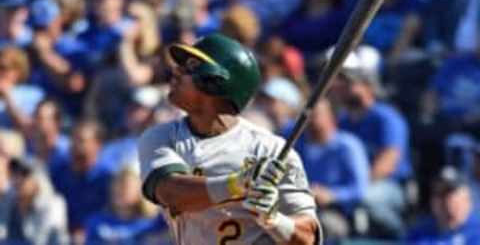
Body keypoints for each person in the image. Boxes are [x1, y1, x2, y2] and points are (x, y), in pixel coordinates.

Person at [137, 33, 321, 244]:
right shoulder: (162, 137)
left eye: (191, 66)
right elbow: (171, 193)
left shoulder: (271, 150)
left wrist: (274, 220)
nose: (176, 71)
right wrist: (238, 184)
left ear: (216, 81)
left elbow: (308, 238)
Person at [334, 49, 412, 237]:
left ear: (368, 86)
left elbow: (388, 162)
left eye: (351, 83)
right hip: (356, 184)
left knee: (363, 198)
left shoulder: (386, 117)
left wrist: (352, 189)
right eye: (342, 83)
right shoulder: (343, 121)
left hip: (391, 185)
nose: (344, 87)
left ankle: (403, 236)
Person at [298, 99, 370, 241]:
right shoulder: (297, 145)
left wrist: (331, 195)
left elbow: (359, 189)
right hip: (298, 208)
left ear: (331, 117)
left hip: (335, 212)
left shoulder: (348, 146)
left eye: (315, 114)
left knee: (320, 226)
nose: (309, 119)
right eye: (305, 114)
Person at [50, 119, 113, 243]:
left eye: (82, 141)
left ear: (98, 145)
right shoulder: (59, 172)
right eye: (73, 140)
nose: (75, 146)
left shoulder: (107, 178)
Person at [85, 167, 170, 244]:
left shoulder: (155, 223)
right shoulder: (97, 223)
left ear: (140, 191)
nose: (119, 190)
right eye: (116, 185)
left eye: (125, 186)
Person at [406, 166, 480, 244]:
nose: (445, 201)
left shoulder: (477, 231)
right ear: (432, 201)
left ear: (467, 199)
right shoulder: (419, 233)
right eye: (439, 194)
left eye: (450, 193)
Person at [7, 157, 69, 245]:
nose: (18, 180)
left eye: (25, 174)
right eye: (14, 174)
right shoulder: (11, 202)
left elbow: (41, 241)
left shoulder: (54, 204)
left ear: (40, 178)